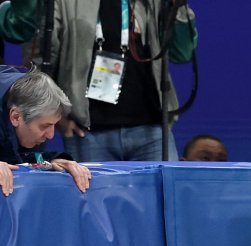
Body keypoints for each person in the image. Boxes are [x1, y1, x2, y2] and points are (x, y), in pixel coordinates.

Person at [28, 0, 197, 161]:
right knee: (91, 192)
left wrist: (178, 7)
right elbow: (41, 59)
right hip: (87, 132)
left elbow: (182, 53)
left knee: (163, 192)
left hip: (152, 130)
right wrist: (59, 117)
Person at [0, 67, 91, 196]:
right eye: (44, 126)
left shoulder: (22, 101)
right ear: (16, 117)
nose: (51, 135)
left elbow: (24, 155)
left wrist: (48, 161)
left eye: (54, 125)